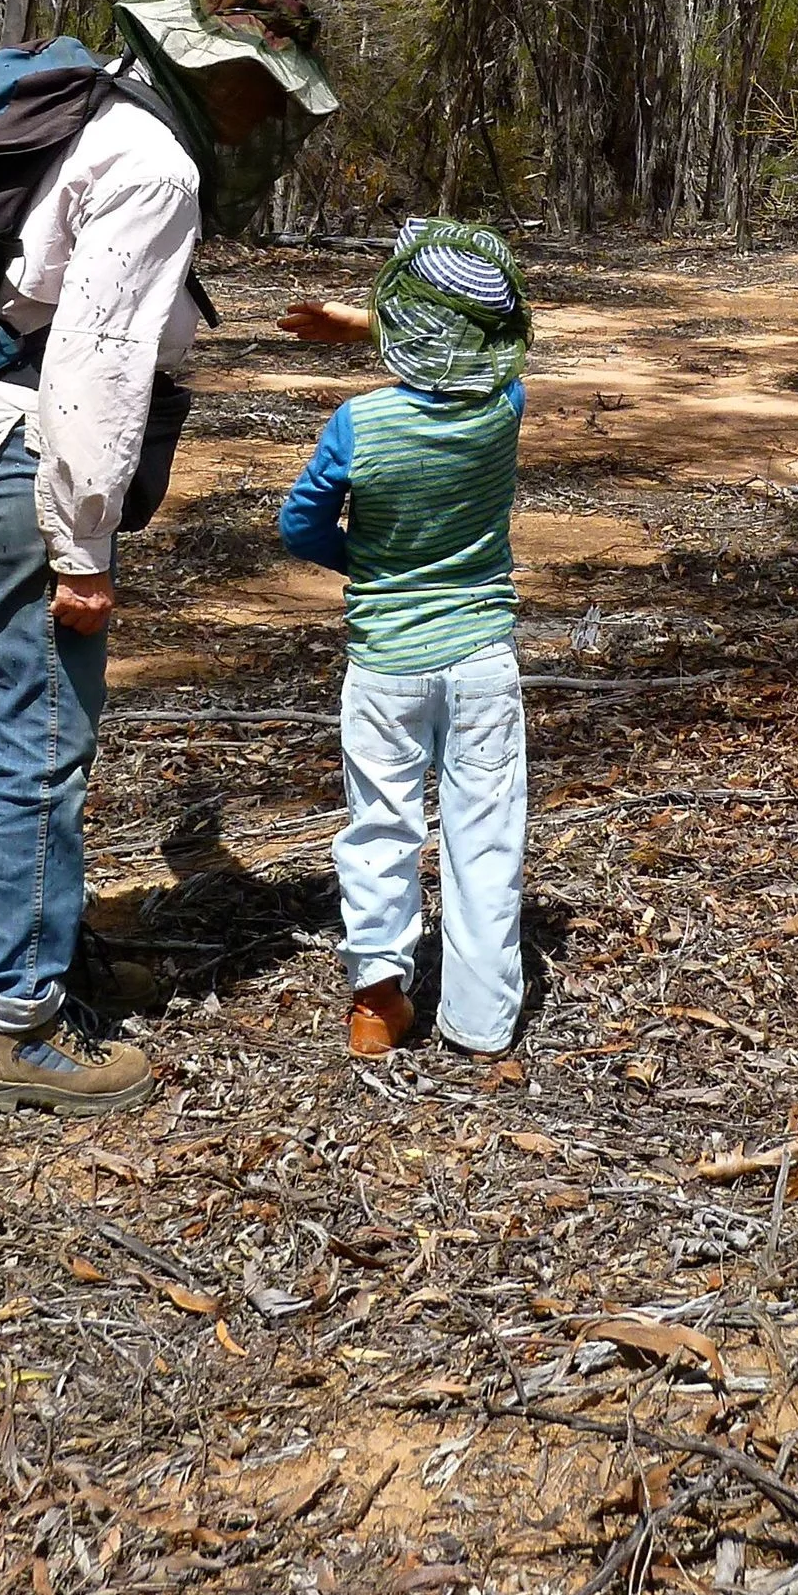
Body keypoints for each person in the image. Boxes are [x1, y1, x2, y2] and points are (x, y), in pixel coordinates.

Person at [0, 0, 337, 1117]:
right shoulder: (154, 162)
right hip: (23, 453)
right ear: (218, 65)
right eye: (267, 89)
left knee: (45, 725)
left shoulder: (96, 108)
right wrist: (81, 549)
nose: (271, 116)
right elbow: (95, 370)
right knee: (43, 735)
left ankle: (56, 961)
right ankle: (15, 1028)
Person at [277, 219, 532, 1062]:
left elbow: (299, 523)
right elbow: (493, 351)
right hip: (483, 656)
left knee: (379, 825)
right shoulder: (505, 406)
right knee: (485, 832)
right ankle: (483, 1021)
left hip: (385, 660)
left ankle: (378, 1006)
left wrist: (365, 562)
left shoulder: (358, 422)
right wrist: (371, 327)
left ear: (404, 325)